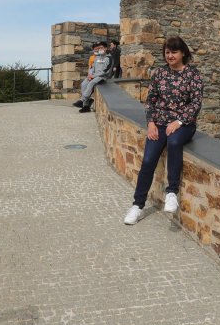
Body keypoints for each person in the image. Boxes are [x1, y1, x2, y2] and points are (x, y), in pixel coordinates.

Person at [124, 36, 203, 225]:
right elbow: (150, 100)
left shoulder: (193, 74)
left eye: (174, 52)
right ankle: (137, 205)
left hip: (184, 124)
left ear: (183, 52)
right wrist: (151, 123)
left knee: (175, 142)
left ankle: (172, 192)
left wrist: (179, 121)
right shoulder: (160, 73)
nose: (170, 56)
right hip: (158, 123)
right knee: (149, 160)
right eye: (167, 52)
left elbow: (196, 103)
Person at [75, 41, 112, 113]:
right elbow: (92, 68)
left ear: (106, 48)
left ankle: (83, 100)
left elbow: (105, 71)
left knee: (91, 83)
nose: (100, 49)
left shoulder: (108, 58)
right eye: (99, 48)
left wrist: (93, 76)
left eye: (102, 48)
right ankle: (86, 106)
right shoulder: (97, 57)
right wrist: (89, 75)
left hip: (102, 77)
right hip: (93, 76)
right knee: (84, 84)